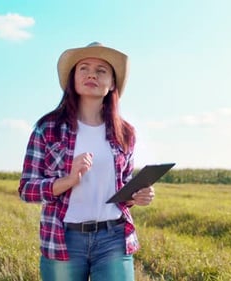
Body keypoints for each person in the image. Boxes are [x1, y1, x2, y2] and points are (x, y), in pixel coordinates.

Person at [18, 42, 155, 281]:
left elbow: (124, 183)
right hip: (64, 239)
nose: (92, 74)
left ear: (112, 83)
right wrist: (69, 180)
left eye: (101, 70)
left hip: (113, 236)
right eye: (84, 68)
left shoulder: (125, 133)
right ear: (73, 79)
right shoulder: (48, 128)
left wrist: (138, 194)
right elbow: (27, 190)